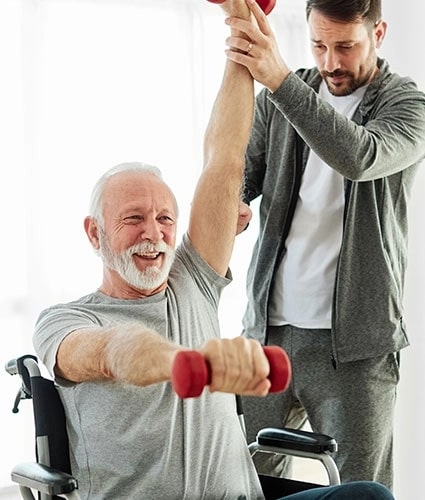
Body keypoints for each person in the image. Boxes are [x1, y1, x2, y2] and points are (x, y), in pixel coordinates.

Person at [32, 0, 397, 499]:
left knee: (369, 495)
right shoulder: (65, 321)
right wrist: (187, 363)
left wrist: (242, 21)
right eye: (132, 218)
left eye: (165, 218)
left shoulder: (193, 280)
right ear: (94, 233)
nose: (154, 233)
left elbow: (223, 160)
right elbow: (112, 352)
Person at [222, 0, 425, 492]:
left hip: (355, 348)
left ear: (379, 31)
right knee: (243, 482)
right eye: (318, 45)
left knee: (361, 490)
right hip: (267, 334)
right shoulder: (283, 100)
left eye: (346, 46)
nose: (331, 62)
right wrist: (235, 206)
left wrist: (281, 82)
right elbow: (245, 175)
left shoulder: (409, 107)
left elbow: (358, 155)